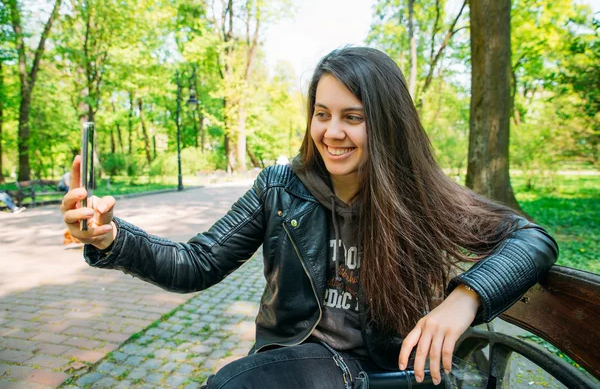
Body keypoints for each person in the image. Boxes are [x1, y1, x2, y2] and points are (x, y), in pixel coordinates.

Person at [61, 47, 558, 388]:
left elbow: (531, 238)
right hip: (298, 361)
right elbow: (197, 262)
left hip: (387, 372)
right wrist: (111, 238)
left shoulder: (419, 195)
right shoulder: (279, 187)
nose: (332, 132)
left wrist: (464, 299)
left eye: (352, 116)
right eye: (322, 113)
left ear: (385, 122)